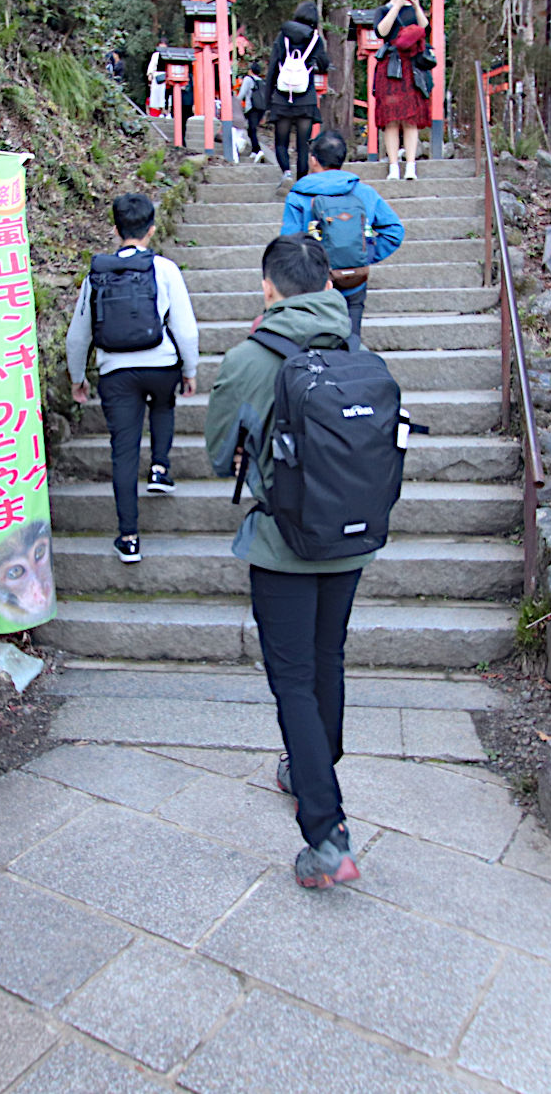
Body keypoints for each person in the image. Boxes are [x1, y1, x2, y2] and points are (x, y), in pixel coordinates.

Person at [204, 234, 368, 889]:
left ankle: (327, 834)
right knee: (328, 659)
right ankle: (310, 766)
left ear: (268, 288)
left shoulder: (250, 357)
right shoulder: (356, 348)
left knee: (293, 679)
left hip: (282, 545)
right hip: (352, 534)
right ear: (329, 285)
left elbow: (220, 455)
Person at [67, 193, 200, 563]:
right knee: (162, 404)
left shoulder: (97, 273)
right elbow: (185, 330)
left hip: (116, 372)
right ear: (152, 230)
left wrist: (78, 377)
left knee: (123, 452)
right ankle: (160, 468)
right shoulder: (166, 269)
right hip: (161, 364)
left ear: (115, 229)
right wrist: (189, 370)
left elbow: (78, 335)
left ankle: (128, 539)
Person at [282, 130, 405, 340]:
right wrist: (364, 252)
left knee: (314, 343)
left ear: (313, 160)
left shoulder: (298, 196)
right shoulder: (363, 192)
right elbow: (394, 231)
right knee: (351, 340)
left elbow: (288, 242)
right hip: (354, 278)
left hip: (314, 281)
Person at [371, 0, 432, 181]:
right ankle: (394, 165)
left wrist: (416, 6)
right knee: (390, 119)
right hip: (390, 66)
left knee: (410, 118)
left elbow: (426, 29)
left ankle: (411, 166)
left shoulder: (414, 10)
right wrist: (395, 5)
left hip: (411, 67)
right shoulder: (382, 10)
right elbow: (381, 31)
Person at [264, 1, 330, 189]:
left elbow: (272, 69)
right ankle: (301, 182)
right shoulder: (315, 38)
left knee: (281, 143)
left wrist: (268, 101)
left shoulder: (282, 36)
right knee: (303, 145)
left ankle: (286, 173)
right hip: (305, 98)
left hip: (282, 98)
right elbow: (325, 64)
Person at [237, 58, 269, 165]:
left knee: (252, 129)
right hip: (261, 108)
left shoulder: (248, 79)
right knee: (251, 129)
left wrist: (234, 102)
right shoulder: (261, 81)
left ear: (250, 70)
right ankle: (255, 151)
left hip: (252, 108)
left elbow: (242, 94)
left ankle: (259, 150)